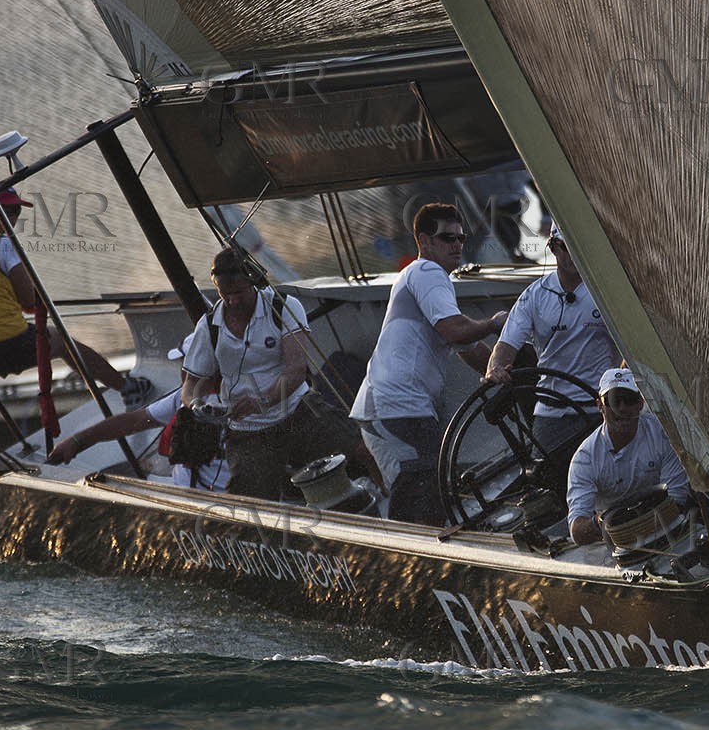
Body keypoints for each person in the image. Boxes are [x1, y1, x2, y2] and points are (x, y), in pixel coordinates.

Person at [0, 186, 149, 458]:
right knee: (64, 342)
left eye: (16, 211)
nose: (14, 216)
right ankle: (127, 388)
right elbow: (29, 298)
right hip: (5, 343)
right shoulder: (3, 244)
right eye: (9, 211)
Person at [349, 203, 509, 524]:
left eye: (462, 239)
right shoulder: (427, 271)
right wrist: (495, 323)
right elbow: (454, 328)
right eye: (448, 238)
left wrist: (499, 372)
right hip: (396, 407)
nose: (457, 245)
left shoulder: (422, 280)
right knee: (421, 492)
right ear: (425, 242)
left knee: (432, 484)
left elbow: (464, 344)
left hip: (399, 408)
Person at [182, 248, 369, 501]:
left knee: (361, 450)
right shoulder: (208, 326)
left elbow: (296, 371)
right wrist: (196, 406)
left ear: (255, 282)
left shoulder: (283, 307)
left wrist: (261, 401)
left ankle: (396, 514)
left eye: (238, 293)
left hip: (299, 411)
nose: (233, 301)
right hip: (248, 431)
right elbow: (191, 385)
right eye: (225, 295)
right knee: (251, 504)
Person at [484, 222, 619, 455]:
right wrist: (495, 368)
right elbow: (505, 345)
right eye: (567, 247)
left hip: (598, 413)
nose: (575, 254)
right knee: (546, 485)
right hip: (550, 413)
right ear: (554, 248)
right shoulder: (534, 296)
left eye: (580, 246)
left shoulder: (606, 292)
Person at [46, 333, 231, 491]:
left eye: (184, 364)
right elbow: (134, 421)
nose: (181, 371)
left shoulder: (236, 401)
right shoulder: (182, 397)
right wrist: (78, 441)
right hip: (185, 496)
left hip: (221, 504)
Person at [566, 367, 693, 546]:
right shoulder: (584, 459)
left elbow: (678, 500)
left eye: (630, 400)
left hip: (672, 532)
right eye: (613, 401)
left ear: (641, 403)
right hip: (618, 545)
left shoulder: (664, 434)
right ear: (600, 406)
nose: (622, 408)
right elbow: (578, 531)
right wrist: (600, 523)